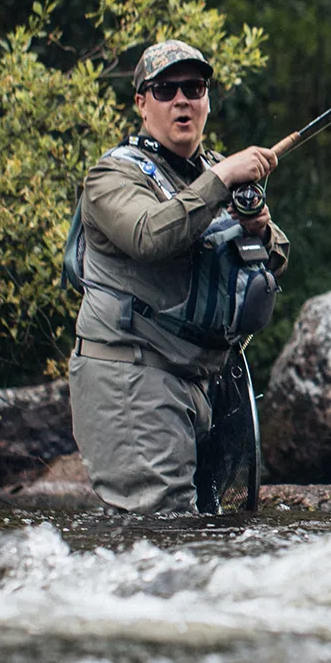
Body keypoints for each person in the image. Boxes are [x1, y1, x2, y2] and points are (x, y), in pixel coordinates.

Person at [68, 39, 289, 512]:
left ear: (207, 99)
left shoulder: (215, 170)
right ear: (142, 104)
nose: (182, 100)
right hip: (133, 373)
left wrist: (259, 228)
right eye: (166, 90)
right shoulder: (111, 177)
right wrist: (222, 180)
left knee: (210, 535)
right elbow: (149, 235)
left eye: (194, 87)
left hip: (208, 380)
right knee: (159, 532)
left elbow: (277, 257)